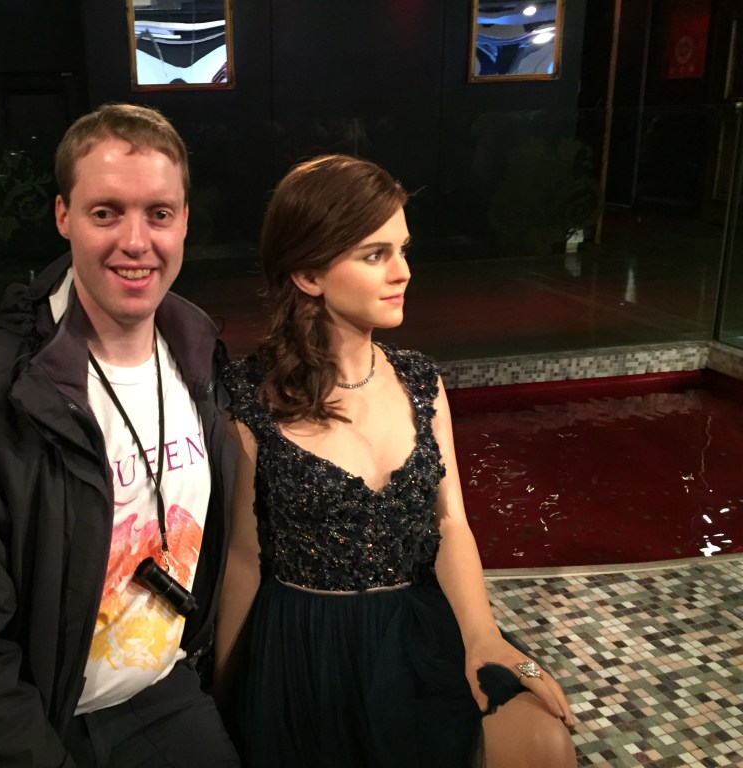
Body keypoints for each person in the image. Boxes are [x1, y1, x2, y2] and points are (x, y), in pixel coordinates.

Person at [0, 103, 240, 768]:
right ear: (63, 216)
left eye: (159, 213)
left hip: (164, 695)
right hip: (39, 715)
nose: (136, 241)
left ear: (185, 220)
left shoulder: (201, 360)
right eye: (106, 213)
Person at [214, 155, 577, 768]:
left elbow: (451, 523)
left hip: (417, 625)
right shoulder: (251, 400)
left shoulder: (420, 380)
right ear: (307, 273)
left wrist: (482, 634)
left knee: (543, 740)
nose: (403, 272)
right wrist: (222, 693)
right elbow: (245, 557)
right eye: (375, 254)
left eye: (403, 249)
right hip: (310, 643)